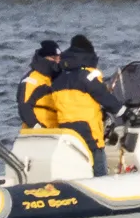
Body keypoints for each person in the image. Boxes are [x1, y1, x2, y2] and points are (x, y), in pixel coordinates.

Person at [36, 33, 126, 176]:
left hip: (67, 132)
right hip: (89, 132)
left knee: (76, 168)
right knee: (99, 169)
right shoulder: (88, 75)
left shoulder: (58, 80)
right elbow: (104, 97)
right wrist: (124, 112)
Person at [17, 40, 63, 132]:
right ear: (44, 58)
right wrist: (37, 127)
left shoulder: (58, 80)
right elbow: (24, 107)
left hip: (57, 133)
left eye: (59, 58)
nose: (57, 62)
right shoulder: (32, 80)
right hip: (37, 134)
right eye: (54, 58)